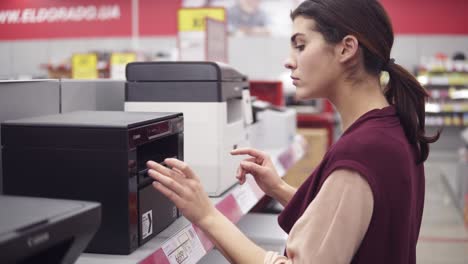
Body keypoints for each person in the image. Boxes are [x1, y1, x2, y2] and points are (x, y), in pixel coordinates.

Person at [146, 0, 440, 263]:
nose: (289, 60)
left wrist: (206, 215)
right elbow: (344, 224)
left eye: (300, 45)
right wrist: (277, 188)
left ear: (346, 48)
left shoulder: (362, 151)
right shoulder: (390, 127)